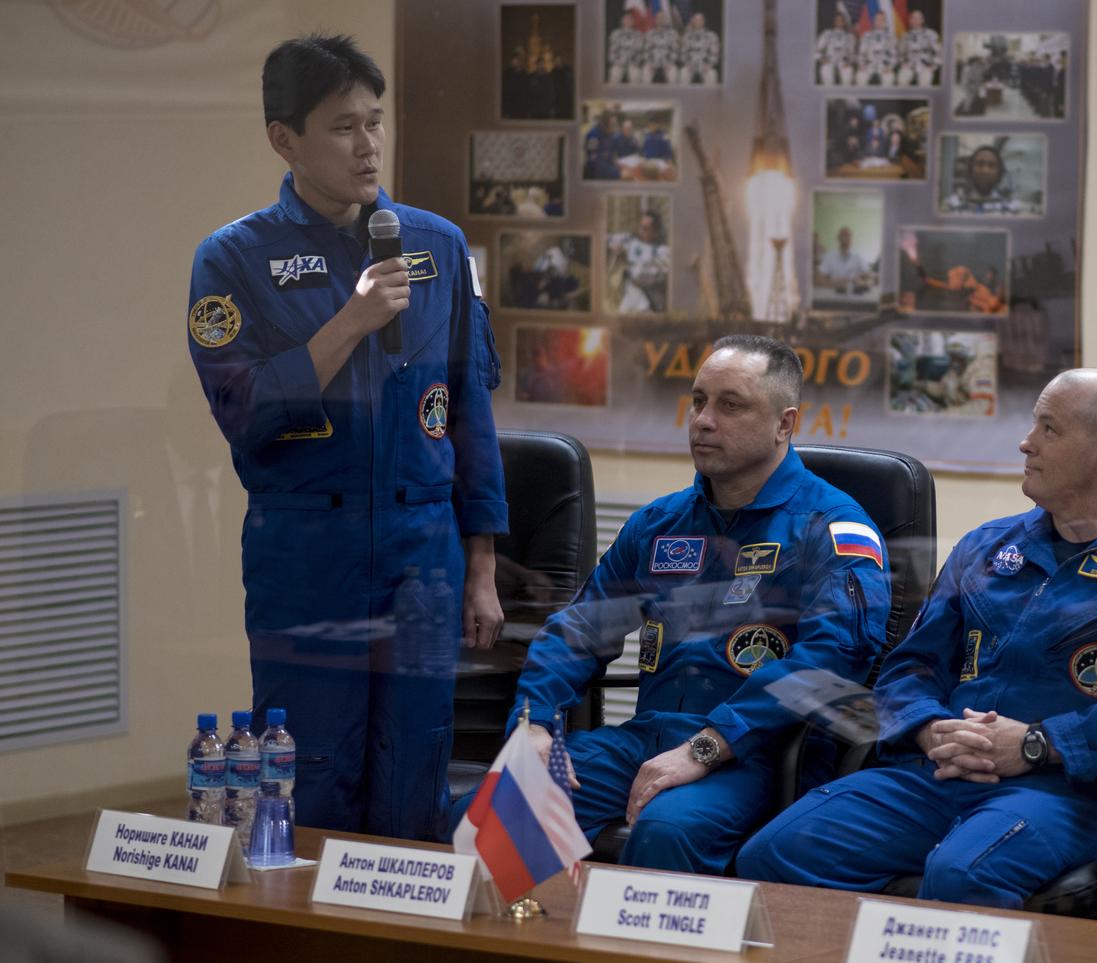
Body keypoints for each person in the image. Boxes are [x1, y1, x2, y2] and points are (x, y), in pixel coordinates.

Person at [739, 369, 1097, 907]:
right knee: (774, 853)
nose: (1026, 442)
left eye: (1049, 428)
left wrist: (1038, 744)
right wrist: (929, 729)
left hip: (1076, 792)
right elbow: (910, 667)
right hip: (942, 771)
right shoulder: (987, 546)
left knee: (963, 875)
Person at [186, 34, 507, 841]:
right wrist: (352, 321)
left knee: (415, 764)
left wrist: (481, 568)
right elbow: (247, 413)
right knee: (311, 767)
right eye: (342, 127)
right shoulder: (233, 259)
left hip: (422, 548)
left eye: (375, 121)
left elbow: (469, 414)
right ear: (284, 139)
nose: (368, 145)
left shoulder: (436, 244)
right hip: (307, 548)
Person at [462, 336, 891, 874]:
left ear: (785, 424)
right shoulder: (659, 524)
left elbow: (834, 659)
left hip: (760, 753)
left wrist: (707, 746)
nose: (703, 421)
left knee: (665, 830)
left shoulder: (830, 527)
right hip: (649, 739)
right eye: (698, 401)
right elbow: (580, 630)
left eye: (730, 405)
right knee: (488, 816)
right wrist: (535, 720)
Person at [608, 210, 671, 313]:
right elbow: (608, 239)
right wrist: (614, 246)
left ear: (655, 232)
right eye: (640, 227)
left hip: (650, 305)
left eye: (645, 229)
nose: (640, 231)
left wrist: (629, 262)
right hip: (631, 297)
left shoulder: (662, 251)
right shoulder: (632, 240)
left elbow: (644, 274)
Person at [945, 145, 1023, 214]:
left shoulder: (1012, 207)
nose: (985, 171)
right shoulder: (953, 204)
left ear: (1000, 173)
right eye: (980, 164)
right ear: (970, 170)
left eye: (991, 165)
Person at [815, 226, 875, 298]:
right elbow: (818, 280)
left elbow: (871, 279)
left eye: (849, 236)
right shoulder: (829, 256)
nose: (846, 238)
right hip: (834, 296)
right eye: (843, 235)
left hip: (856, 297)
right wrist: (839, 282)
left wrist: (863, 283)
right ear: (838, 238)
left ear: (852, 239)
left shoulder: (858, 257)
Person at [896, 9, 941, 86]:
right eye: (913, 18)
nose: (915, 21)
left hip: (925, 66)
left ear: (922, 20)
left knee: (925, 82)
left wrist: (933, 66)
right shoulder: (905, 36)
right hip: (909, 66)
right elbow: (900, 53)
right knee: (901, 80)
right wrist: (902, 63)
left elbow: (939, 53)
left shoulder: (931, 34)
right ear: (910, 20)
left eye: (917, 18)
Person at [815, 10, 856, 86]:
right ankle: (829, 93)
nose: (839, 22)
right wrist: (821, 59)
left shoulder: (850, 36)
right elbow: (817, 49)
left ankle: (845, 93)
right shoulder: (827, 33)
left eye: (841, 20)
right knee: (825, 70)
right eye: (837, 20)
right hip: (829, 59)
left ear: (844, 22)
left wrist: (849, 62)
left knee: (848, 71)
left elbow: (852, 53)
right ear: (834, 22)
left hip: (843, 60)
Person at [855, 10, 896, 86]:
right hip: (868, 66)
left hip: (884, 66)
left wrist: (889, 67)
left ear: (885, 22)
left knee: (888, 78)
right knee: (861, 76)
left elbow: (894, 55)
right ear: (874, 21)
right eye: (877, 19)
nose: (879, 22)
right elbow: (861, 54)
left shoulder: (890, 37)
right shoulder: (867, 36)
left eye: (881, 20)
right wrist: (862, 65)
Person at [680, 12, 721, 84]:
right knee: (683, 72)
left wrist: (709, 64)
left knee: (712, 74)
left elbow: (715, 54)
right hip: (691, 65)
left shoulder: (711, 35)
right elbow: (683, 53)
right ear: (693, 22)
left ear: (703, 22)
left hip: (705, 65)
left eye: (700, 20)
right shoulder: (687, 36)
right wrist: (687, 64)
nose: (698, 22)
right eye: (696, 20)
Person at [642, 9, 682, 84]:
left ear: (666, 20)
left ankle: (671, 92)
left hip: (667, 63)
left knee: (673, 73)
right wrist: (650, 62)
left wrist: (670, 62)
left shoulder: (672, 34)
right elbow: (646, 51)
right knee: (645, 72)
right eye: (658, 18)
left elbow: (675, 50)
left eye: (662, 18)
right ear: (655, 20)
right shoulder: (650, 34)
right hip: (653, 63)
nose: (660, 20)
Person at [607, 10, 645, 85]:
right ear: (621, 21)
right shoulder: (615, 34)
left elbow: (640, 51)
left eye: (630, 19)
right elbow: (612, 50)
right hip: (619, 61)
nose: (628, 21)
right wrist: (616, 61)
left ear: (633, 22)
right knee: (614, 73)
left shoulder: (638, 34)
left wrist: (635, 62)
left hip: (633, 62)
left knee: (635, 75)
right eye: (625, 19)